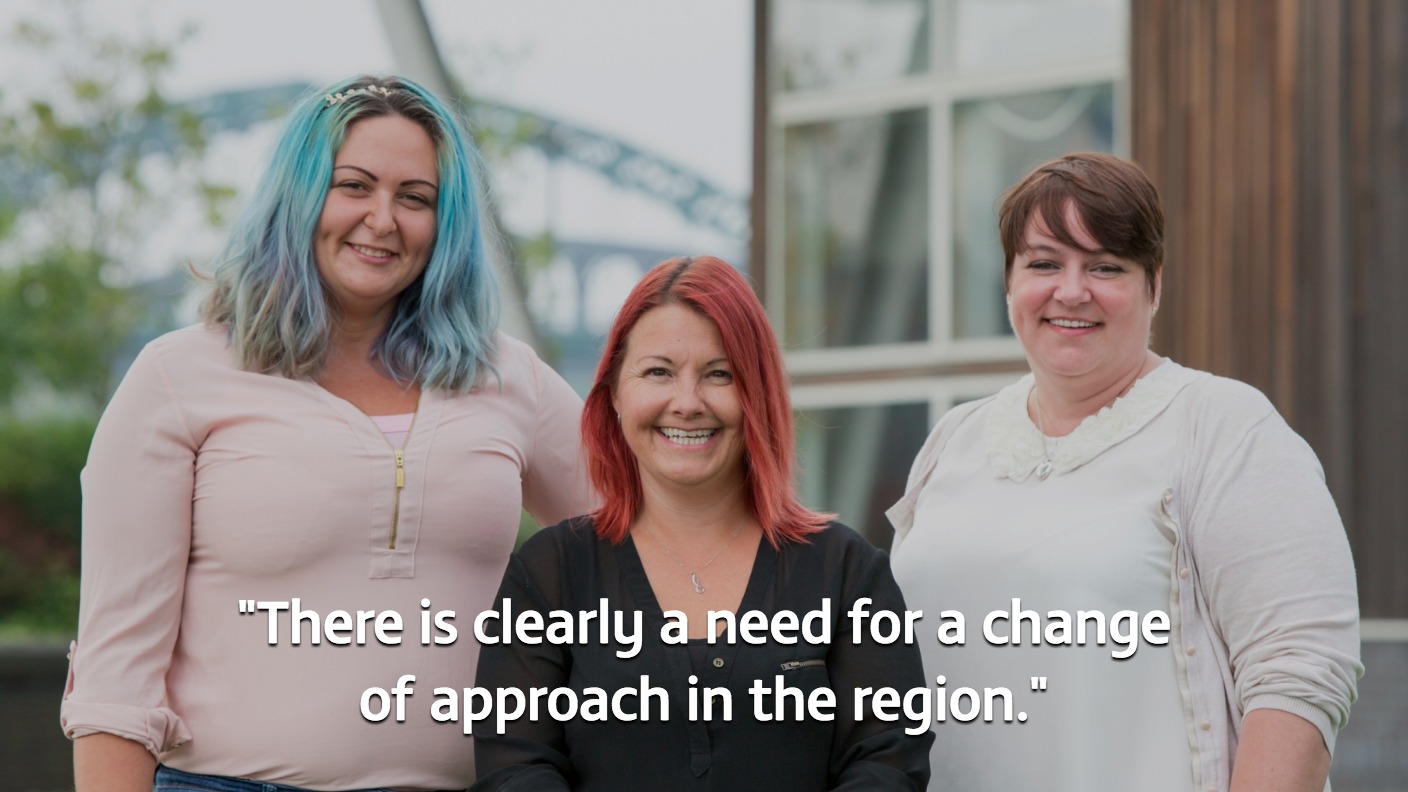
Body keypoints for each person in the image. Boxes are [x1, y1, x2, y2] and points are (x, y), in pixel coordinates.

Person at [61, 75, 596, 792]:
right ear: (300, 194)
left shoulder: (509, 377)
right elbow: (117, 673)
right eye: (354, 186)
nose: (383, 219)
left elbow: (649, 528)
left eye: (416, 198)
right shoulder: (177, 377)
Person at [888, 152, 1361, 792]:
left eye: (1105, 266)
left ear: (1153, 286)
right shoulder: (954, 439)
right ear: (1009, 283)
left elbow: (1300, 674)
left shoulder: (1223, 427)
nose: (1071, 290)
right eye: (1044, 264)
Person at [471, 256, 933, 791]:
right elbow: (514, 767)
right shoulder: (549, 576)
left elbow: (888, 763)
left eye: (719, 374)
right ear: (615, 392)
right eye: (658, 372)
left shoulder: (847, 573)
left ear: (757, 393)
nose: (687, 403)